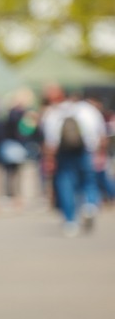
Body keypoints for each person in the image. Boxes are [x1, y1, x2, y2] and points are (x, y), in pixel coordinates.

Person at [39, 86, 107, 236]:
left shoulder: (54, 113)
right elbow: (102, 134)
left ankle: (70, 220)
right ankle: (89, 205)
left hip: (63, 154)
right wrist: (100, 153)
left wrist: (49, 160)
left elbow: (50, 141)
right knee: (89, 180)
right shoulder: (88, 110)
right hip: (86, 151)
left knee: (65, 184)